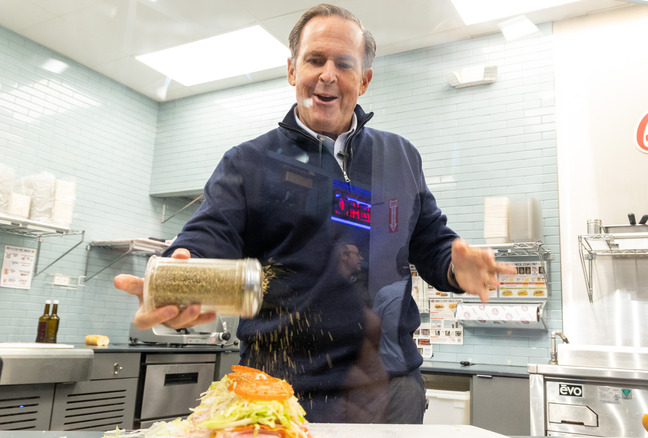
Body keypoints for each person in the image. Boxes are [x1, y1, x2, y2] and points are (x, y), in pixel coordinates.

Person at [114, 3, 514, 424]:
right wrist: (181, 279)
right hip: (279, 392)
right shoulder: (248, 162)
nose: (327, 74)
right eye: (315, 59)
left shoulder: (400, 156)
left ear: (364, 80)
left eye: (344, 63)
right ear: (292, 70)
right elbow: (208, 237)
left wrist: (455, 265)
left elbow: (430, 240)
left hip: (391, 387)